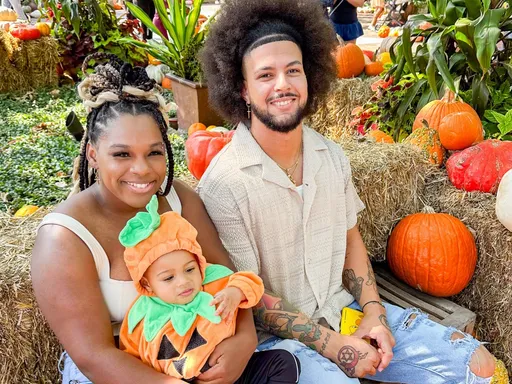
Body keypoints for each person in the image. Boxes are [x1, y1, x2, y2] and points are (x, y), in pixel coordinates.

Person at [198, 0, 497, 383]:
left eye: (293, 70)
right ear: (241, 89)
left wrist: (373, 312)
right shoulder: (224, 185)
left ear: (310, 77)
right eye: (265, 75)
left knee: (477, 366)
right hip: (277, 345)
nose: (283, 85)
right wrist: (332, 344)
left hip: (345, 310)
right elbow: (250, 295)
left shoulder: (331, 156)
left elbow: (350, 240)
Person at [31, 52, 258, 384]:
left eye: (154, 152)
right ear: (93, 154)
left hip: (196, 353)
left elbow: (225, 277)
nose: (141, 169)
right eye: (122, 154)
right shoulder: (64, 238)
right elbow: (94, 355)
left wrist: (244, 340)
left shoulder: (181, 202)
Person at [118, 196, 301, 383]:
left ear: (199, 263)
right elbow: (130, 354)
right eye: (168, 278)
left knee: (284, 363)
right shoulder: (140, 315)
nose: (183, 282)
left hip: (237, 368)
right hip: (189, 380)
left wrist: (235, 293)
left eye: (190, 269)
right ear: (147, 284)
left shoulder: (214, 282)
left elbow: (251, 282)